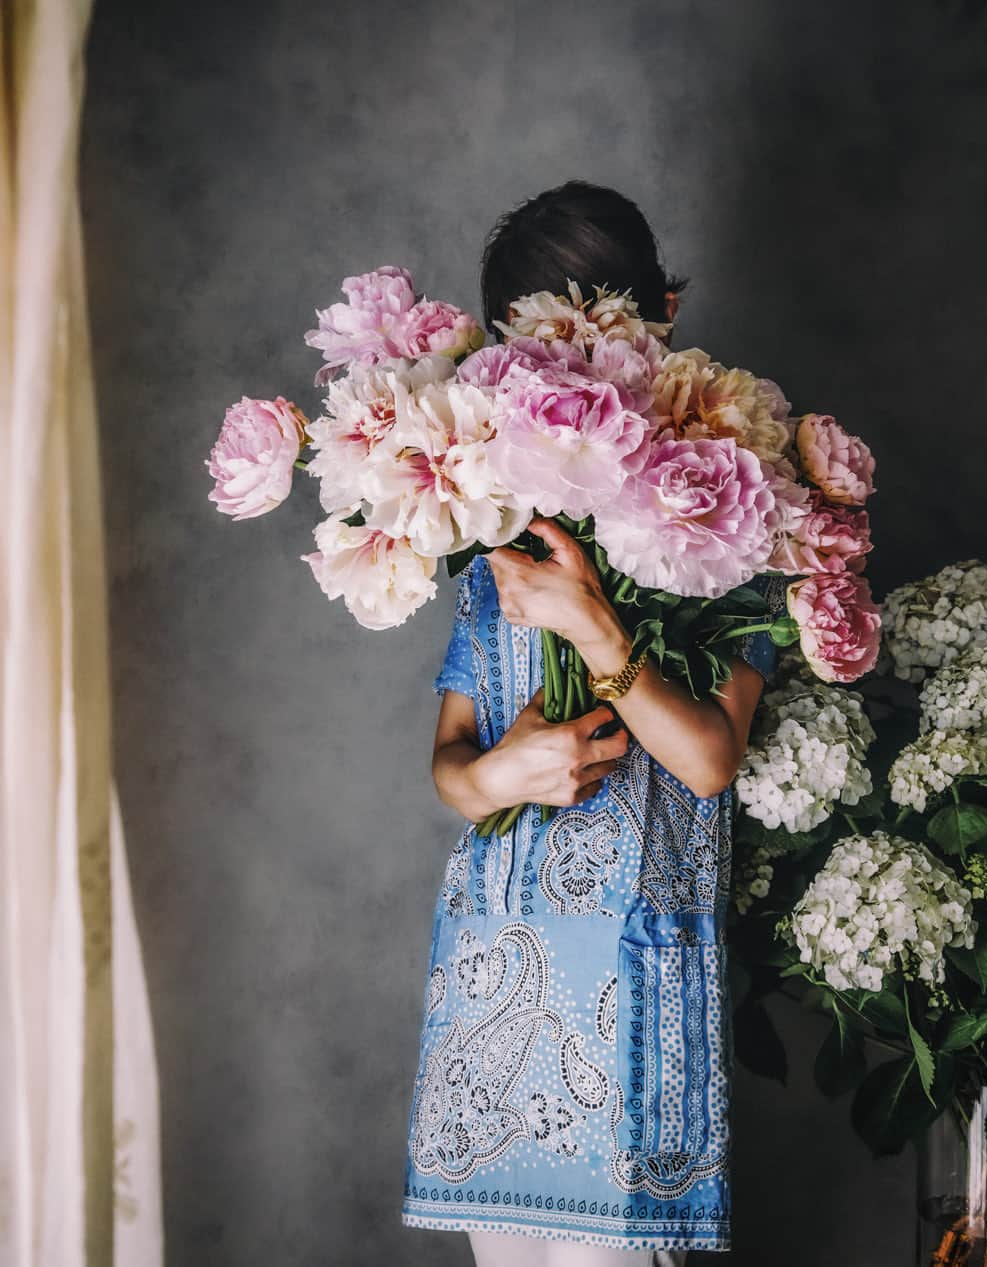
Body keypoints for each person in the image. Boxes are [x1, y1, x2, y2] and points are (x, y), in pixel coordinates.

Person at [400, 180, 789, 1265]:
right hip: (494, 981)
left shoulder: (723, 511)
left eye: (597, 338)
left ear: (664, 312)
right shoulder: (494, 535)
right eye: (541, 351)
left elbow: (709, 759)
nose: (573, 374)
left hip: (627, 988)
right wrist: (505, 774)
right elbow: (451, 766)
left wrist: (597, 629)